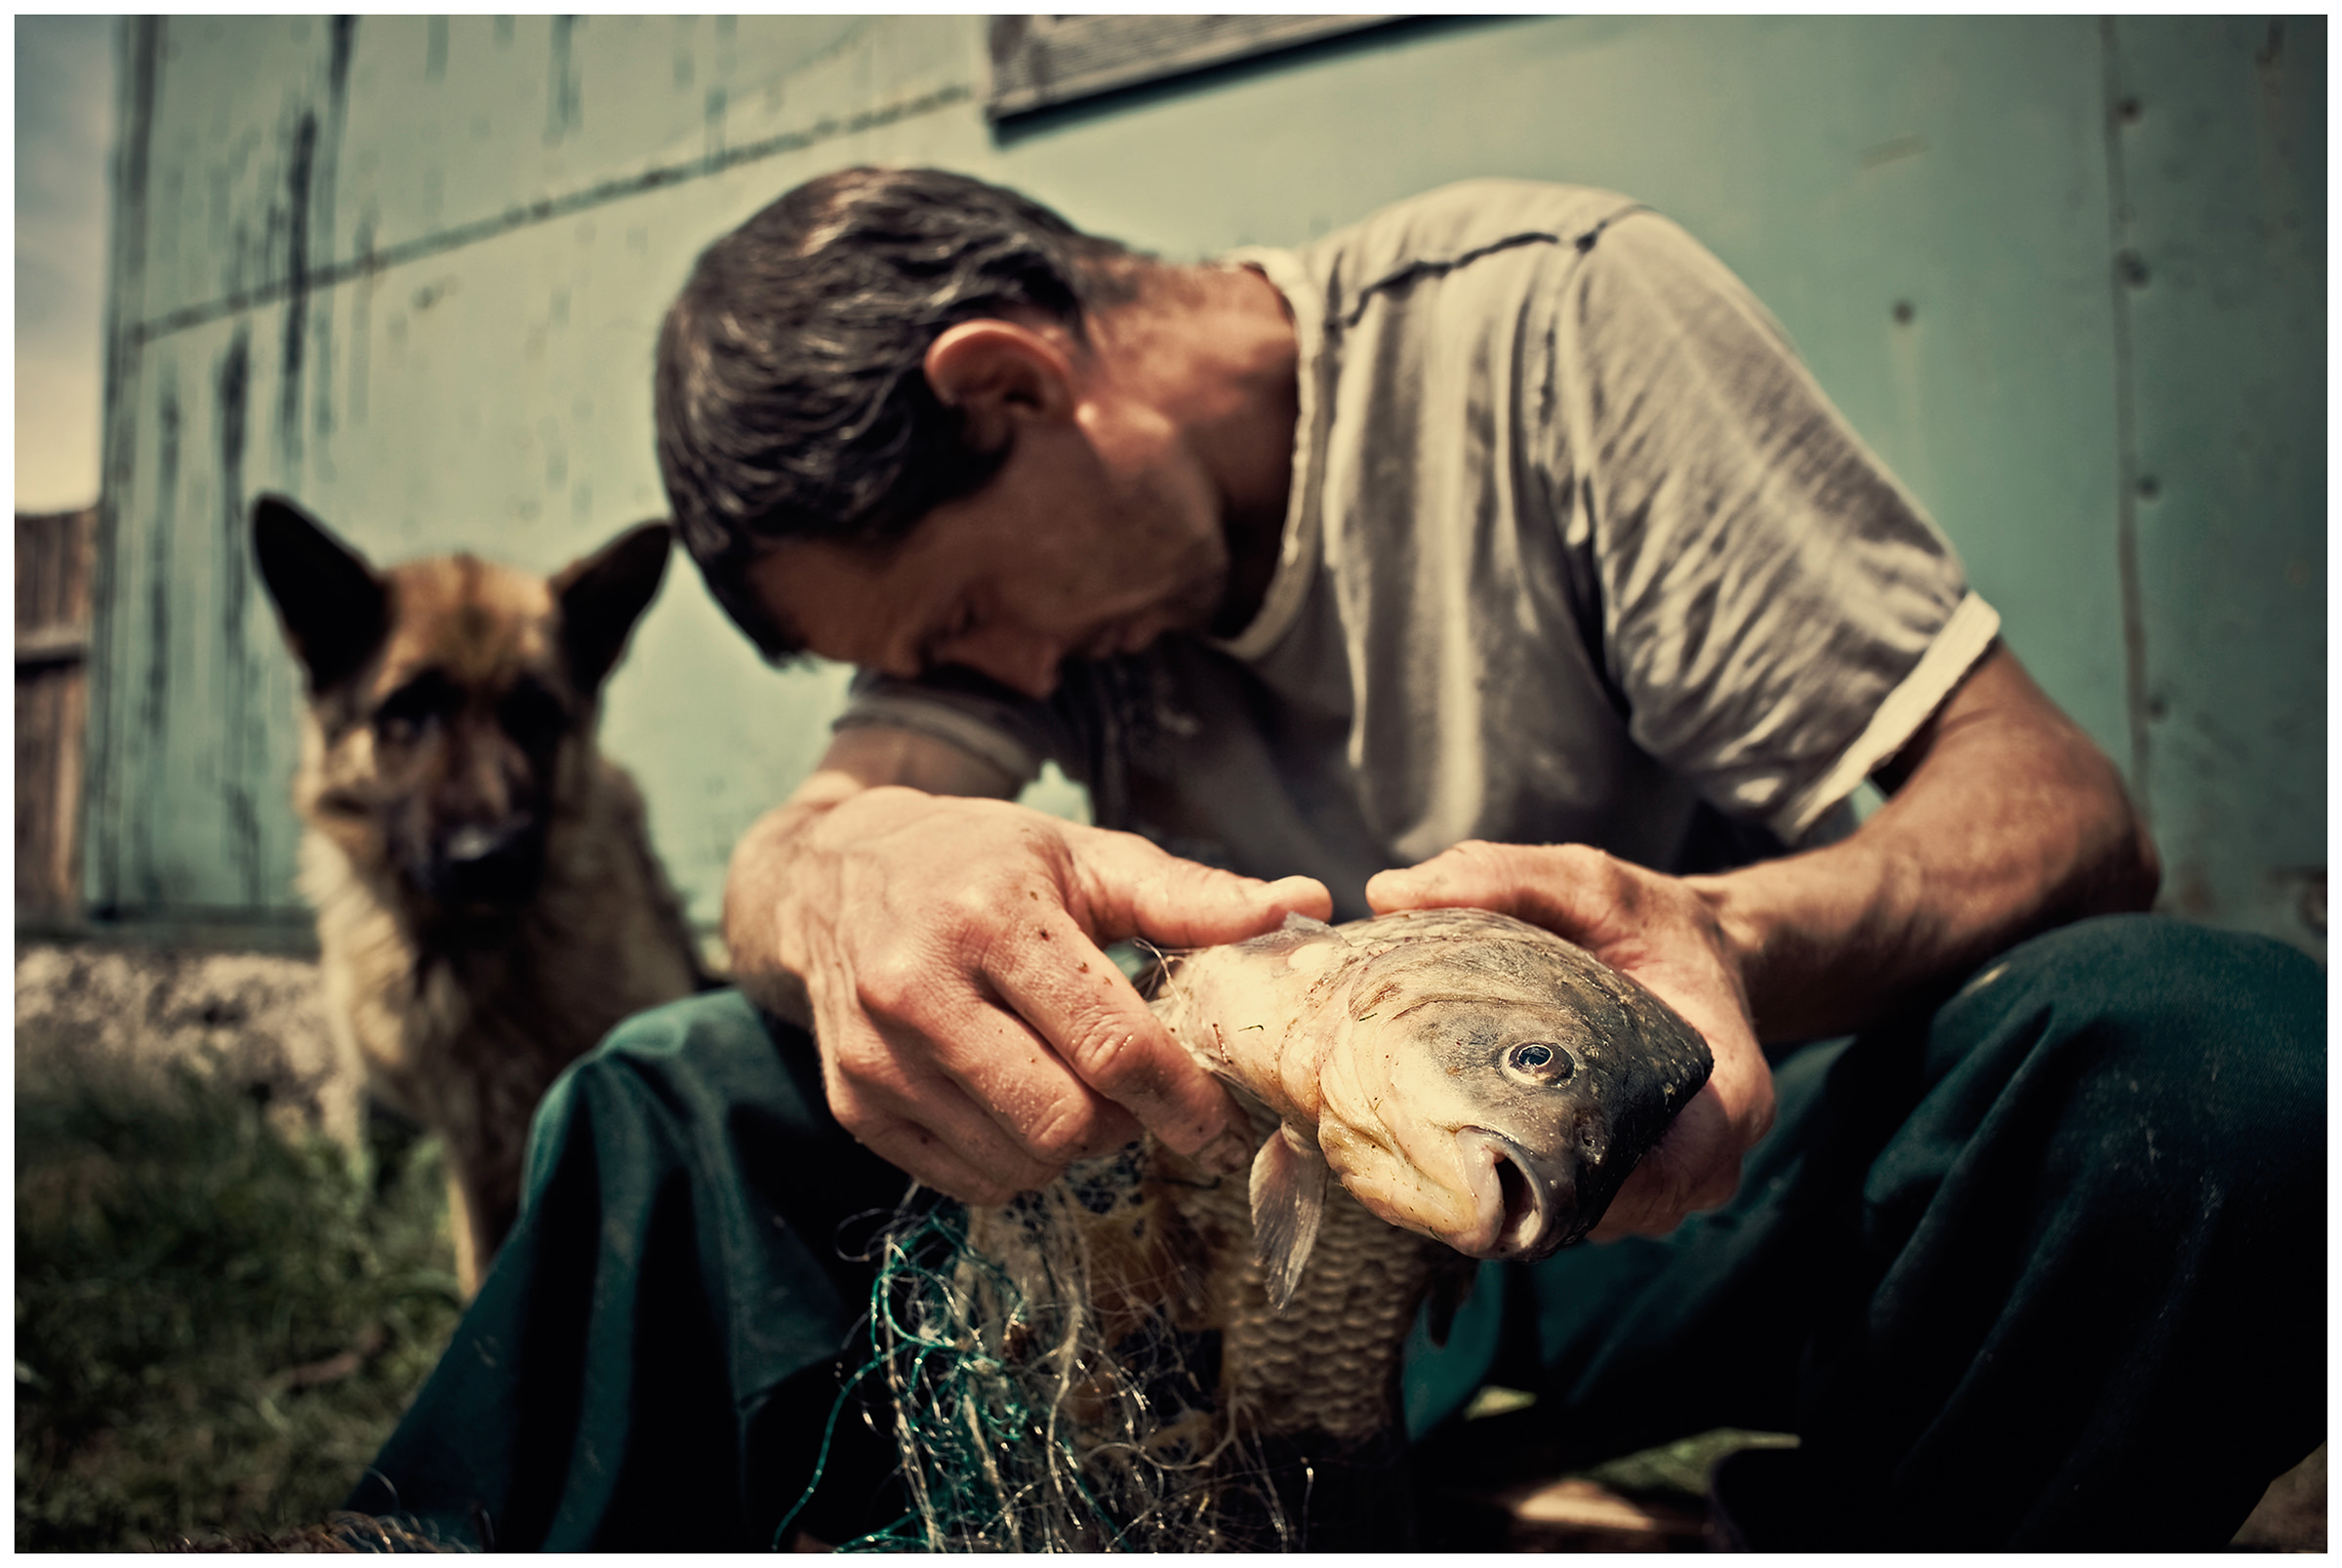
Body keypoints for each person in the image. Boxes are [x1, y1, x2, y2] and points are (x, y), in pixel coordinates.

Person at [348, 167, 2322, 1550]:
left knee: (2217, 1067)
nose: (997, 692)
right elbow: (819, 837)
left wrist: (1728, 930)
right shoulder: (1054, 591)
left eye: (957, 628)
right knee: (678, 1087)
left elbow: (2062, 809)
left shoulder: (1553, 326)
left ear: (1010, 388)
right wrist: (839, 874)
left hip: (1643, 1181)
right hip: (1246, 1246)